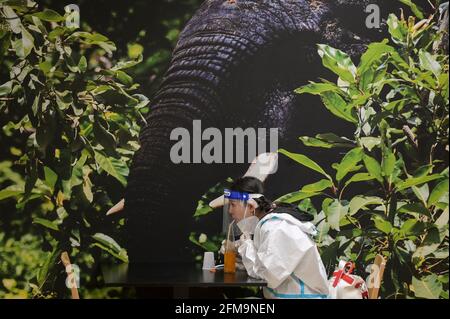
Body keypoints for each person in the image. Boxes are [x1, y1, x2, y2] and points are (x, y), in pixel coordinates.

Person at [225, 176, 329, 299]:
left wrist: (245, 244)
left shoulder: (278, 228)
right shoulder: (269, 224)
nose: (230, 211)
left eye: (233, 205)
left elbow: (269, 277)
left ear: (251, 206)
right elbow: (266, 264)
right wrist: (239, 255)